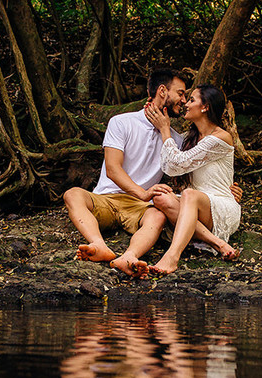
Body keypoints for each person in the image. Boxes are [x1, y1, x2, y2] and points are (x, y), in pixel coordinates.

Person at [62, 69, 188, 278]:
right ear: (163, 91)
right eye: (181, 93)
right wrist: (142, 192)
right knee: (73, 194)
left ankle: (129, 256)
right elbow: (112, 169)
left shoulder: (175, 139)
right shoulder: (122, 122)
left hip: (140, 207)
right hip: (107, 198)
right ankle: (98, 245)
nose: (183, 100)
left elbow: (189, 172)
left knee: (157, 216)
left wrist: (225, 190)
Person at [144, 84, 241, 275]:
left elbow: (175, 165)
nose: (186, 104)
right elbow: (174, 157)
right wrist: (155, 106)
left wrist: (165, 129)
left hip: (222, 207)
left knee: (190, 195)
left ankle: (172, 256)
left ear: (205, 107)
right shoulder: (191, 138)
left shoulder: (220, 138)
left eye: (191, 100)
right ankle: (217, 243)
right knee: (161, 197)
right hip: (195, 204)